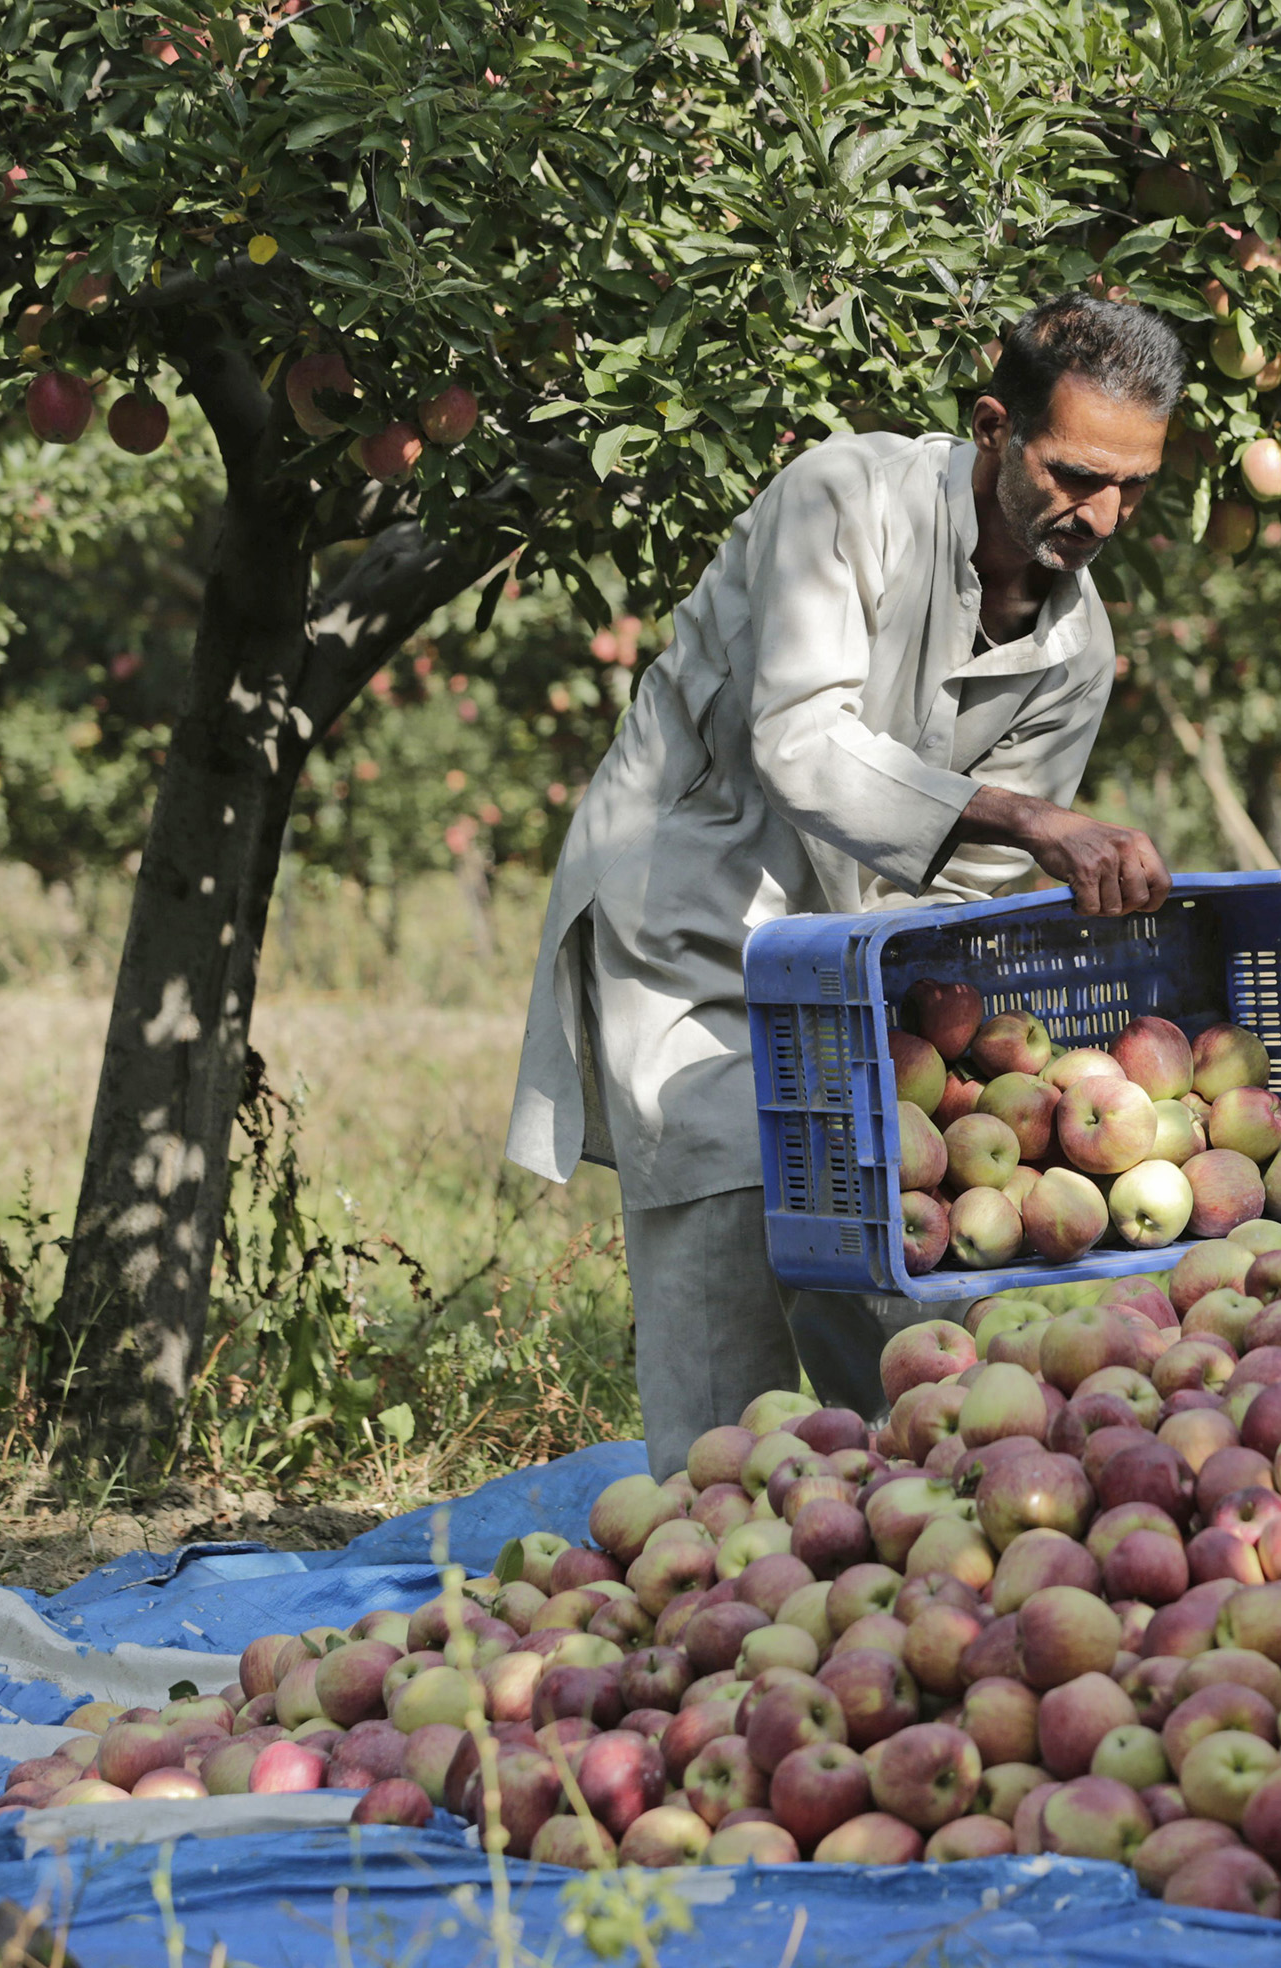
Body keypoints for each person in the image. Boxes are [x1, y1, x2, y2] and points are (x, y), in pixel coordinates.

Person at [503, 294, 1184, 1478]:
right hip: (696, 909)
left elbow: (970, 889)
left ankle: (884, 1539)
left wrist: (960, 1060)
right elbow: (801, 743)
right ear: (991, 427)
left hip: (856, 951)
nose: (1104, 514)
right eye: (1078, 475)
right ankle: (709, 1562)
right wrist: (1032, 820)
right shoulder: (843, 499)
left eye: (1134, 486)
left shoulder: (1077, 649)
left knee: (873, 1249)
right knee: (724, 1244)